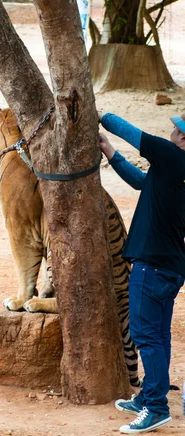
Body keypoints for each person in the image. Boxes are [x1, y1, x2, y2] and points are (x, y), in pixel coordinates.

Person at [99, 111, 185, 435]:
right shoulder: (173, 171)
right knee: (159, 336)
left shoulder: (170, 155)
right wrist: (107, 149)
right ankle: (149, 396)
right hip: (173, 267)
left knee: (146, 337)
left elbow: (134, 133)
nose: (171, 131)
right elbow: (140, 181)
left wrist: (101, 115)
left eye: (176, 129)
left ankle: (157, 409)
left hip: (151, 266)